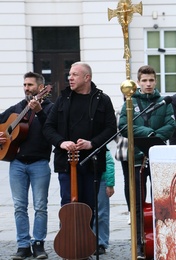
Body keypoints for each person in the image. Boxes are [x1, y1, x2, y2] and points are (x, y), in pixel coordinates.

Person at [42, 62, 117, 229]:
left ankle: (85, 244)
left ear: (87, 77)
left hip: (92, 162)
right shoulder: (63, 99)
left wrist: (92, 143)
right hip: (67, 162)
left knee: (89, 206)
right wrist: (62, 142)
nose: (70, 78)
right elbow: (48, 127)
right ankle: (68, 245)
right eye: (69, 74)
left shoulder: (102, 100)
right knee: (68, 204)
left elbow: (112, 128)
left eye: (74, 74)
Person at [118, 65, 175, 258]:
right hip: (135, 156)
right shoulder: (130, 101)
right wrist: (147, 134)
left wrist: (155, 137)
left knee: (161, 200)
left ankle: (161, 240)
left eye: (151, 80)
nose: (148, 84)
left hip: (158, 156)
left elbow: (171, 125)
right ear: (138, 82)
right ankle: (139, 242)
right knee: (137, 201)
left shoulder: (164, 102)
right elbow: (124, 126)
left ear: (156, 81)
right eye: (144, 80)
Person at [0, 72, 53, 259]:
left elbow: (52, 132)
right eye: (24, 84)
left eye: (30, 85)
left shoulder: (50, 108)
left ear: (41, 88)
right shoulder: (16, 108)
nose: (26, 88)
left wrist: (39, 111)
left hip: (39, 163)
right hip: (17, 163)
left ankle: (38, 244)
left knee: (40, 206)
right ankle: (23, 245)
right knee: (19, 206)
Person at [93, 149, 115, 255]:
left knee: (101, 213)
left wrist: (110, 183)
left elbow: (109, 163)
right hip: (86, 179)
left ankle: (101, 242)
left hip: (102, 180)